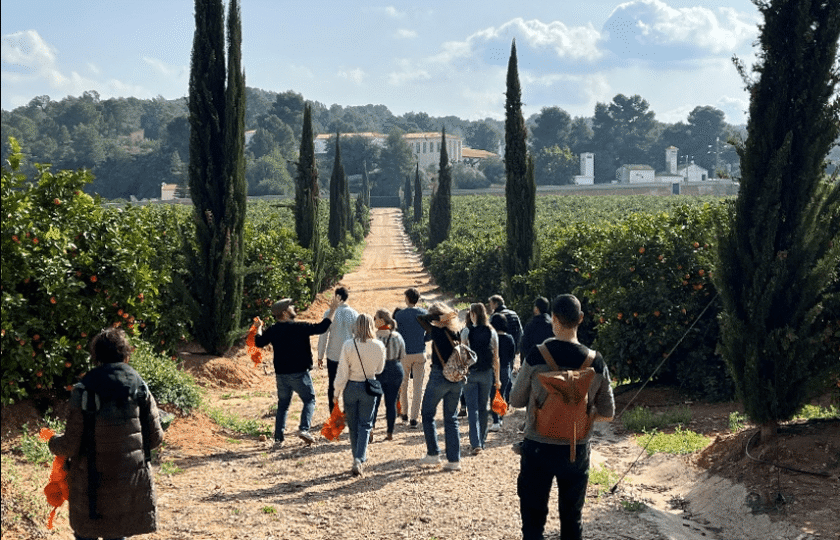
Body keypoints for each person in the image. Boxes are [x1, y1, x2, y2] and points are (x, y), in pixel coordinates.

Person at [509, 294, 615, 540]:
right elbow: (608, 413)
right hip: (576, 449)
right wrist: (582, 418)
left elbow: (515, 400)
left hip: (537, 447)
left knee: (533, 522)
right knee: (572, 520)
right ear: (580, 318)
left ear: (553, 319)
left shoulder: (537, 355)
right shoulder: (595, 361)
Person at [48, 327, 165, 540]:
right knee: (117, 533)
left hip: (91, 484)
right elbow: (155, 438)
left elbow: (71, 444)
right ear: (125, 354)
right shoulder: (140, 387)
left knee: (86, 534)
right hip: (128, 481)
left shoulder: (83, 390)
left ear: (96, 356)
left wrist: (52, 442)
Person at [255, 295, 339, 447]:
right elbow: (321, 328)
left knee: (283, 404)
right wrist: (332, 310)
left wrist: (259, 326)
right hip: (300, 373)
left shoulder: (273, 330)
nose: (294, 309)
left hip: (281, 375)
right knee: (309, 399)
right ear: (285, 313)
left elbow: (259, 342)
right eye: (291, 308)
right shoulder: (300, 327)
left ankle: (278, 438)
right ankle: (304, 429)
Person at [334, 313, 385, 477]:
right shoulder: (379, 346)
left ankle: (356, 456)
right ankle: (359, 458)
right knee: (365, 424)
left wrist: (336, 392)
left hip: (351, 387)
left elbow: (342, 372)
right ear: (371, 326)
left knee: (353, 425)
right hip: (369, 387)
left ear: (356, 326)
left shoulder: (348, 345)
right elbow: (379, 369)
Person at [416, 302, 466, 471]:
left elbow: (420, 320)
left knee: (427, 414)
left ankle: (433, 454)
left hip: (439, 375)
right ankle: (454, 460)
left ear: (434, 317)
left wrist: (436, 316)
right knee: (451, 418)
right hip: (457, 378)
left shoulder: (436, 331)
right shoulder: (456, 331)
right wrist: (449, 315)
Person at [460, 303, 500, 455]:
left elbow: (463, 356)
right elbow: (496, 357)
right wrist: (497, 378)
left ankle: (475, 442)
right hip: (486, 373)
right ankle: (482, 441)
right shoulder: (492, 331)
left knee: (472, 409)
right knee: (483, 408)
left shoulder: (466, 331)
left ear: (473, 315)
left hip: (470, 374)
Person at [318, 287, 359, 412]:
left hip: (333, 355)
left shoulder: (328, 313)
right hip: (349, 355)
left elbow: (323, 336)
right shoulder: (354, 314)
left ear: (336, 297)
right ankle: (347, 411)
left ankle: (333, 411)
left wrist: (320, 355)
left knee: (333, 384)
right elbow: (357, 336)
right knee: (348, 384)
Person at [394, 287, 429, 428]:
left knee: (403, 385)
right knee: (418, 387)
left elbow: (395, 333)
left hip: (404, 354)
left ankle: (405, 414)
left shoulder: (399, 315)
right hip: (420, 353)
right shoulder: (424, 313)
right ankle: (414, 419)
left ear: (407, 298)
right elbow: (431, 331)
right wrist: (423, 340)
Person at [372, 309, 406, 441]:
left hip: (379, 370)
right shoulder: (397, 336)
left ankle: (371, 429)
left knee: (374, 401)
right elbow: (402, 355)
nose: (374, 321)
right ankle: (390, 432)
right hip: (395, 369)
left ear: (381, 320)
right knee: (391, 402)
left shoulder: (374, 337)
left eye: (375, 318)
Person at [489, 312, 515, 432]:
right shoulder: (509, 338)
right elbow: (512, 355)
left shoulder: (492, 338)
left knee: (493, 395)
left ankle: (496, 421)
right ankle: (501, 417)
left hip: (493, 369)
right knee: (503, 393)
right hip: (506, 368)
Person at [520, 296, 554, 362]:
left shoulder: (530, 325)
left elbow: (524, 345)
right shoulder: (553, 324)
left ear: (536, 308)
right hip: (551, 362)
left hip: (534, 363)